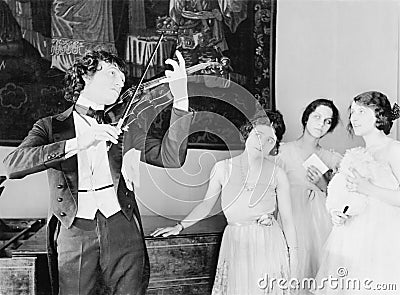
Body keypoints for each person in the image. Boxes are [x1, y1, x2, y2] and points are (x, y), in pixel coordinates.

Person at [3, 49, 193, 295]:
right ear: (85, 75)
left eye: (123, 79)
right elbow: (12, 166)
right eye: (112, 73)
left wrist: (181, 100)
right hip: (74, 232)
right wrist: (78, 143)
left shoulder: (126, 126)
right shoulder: (50, 126)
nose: (119, 82)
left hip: (122, 228)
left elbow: (172, 157)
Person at [152, 112, 298, 295]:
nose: (262, 143)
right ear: (248, 133)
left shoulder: (278, 174)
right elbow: (206, 205)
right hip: (236, 240)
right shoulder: (222, 168)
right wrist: (180, 226)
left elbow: (288, 220)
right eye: (259, 135)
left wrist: (294, 256)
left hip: (268, 240)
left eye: (270, 140)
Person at [315, 91, 400, 294]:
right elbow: (347, 197)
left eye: (361, 112)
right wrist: (338, 213)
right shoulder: (355, 154)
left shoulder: (394, 149)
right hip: (353, 238)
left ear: (379, 115)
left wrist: (368, 188)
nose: (354, 118)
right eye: (352, 112)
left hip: (384, 237)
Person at [277, 99, 342, 288]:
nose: (321, 124)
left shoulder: (332, 159)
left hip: (321, 223)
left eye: (328, 121)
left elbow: (342, 198)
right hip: (291, 218)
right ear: (306, 118)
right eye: (317, 117)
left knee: (319, 274)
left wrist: (323, 184)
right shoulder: (282, 152)